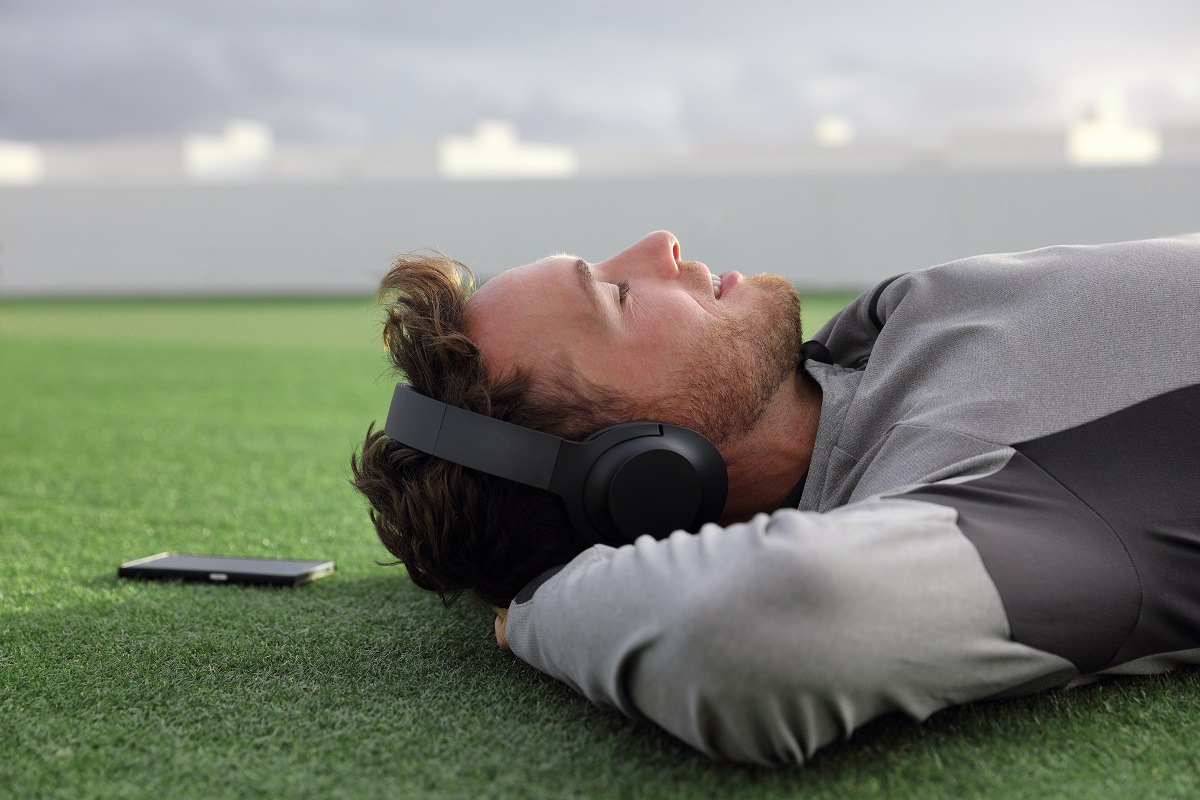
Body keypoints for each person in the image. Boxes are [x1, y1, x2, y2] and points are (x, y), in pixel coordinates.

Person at [351, 230, 1200, 765]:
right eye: (616, 295)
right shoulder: (997, 490)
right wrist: (532, 607)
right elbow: (751, 627)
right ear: (641, 481)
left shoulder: (870, 345)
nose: (660, 244)